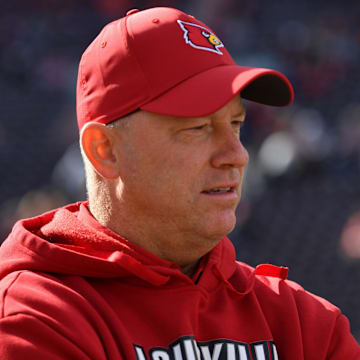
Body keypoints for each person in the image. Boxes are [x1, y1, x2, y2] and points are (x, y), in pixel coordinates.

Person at [0, 7, 358, 360]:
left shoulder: (301, 321)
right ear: (105, 150)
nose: (237, 154)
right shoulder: (37, 315)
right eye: (198, 128)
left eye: (235, 125)